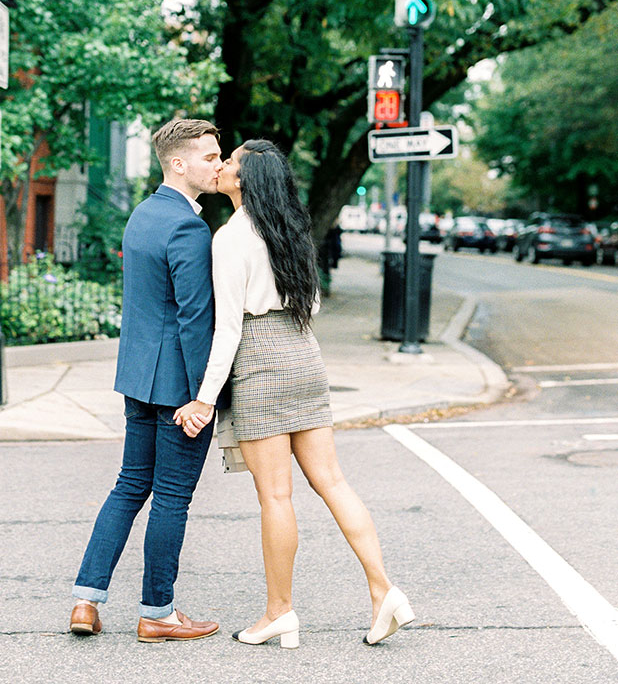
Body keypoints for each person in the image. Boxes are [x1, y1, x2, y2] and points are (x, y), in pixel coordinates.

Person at [175, 139, 414, 648]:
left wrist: (204, 398)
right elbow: (315, 304)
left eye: (231, 163)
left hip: (261, 361)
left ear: (245, 180)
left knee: (276, 496)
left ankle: (279, 612)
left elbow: (229, 331)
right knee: (333, 482)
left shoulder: (230, 237)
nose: (221, 168)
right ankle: (383, 590)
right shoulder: (292, 230)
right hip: (304, 353)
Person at [69, 118, 223, 643]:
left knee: (129, 486)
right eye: (209, 156)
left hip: (137, 378)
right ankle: (158, 611)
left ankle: (86, 602)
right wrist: (206, 394)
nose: (218, 164)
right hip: (178, 386)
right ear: (178, 163)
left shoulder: (141, 215)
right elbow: (193, 318)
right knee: (172, 498)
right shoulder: (188, 226)